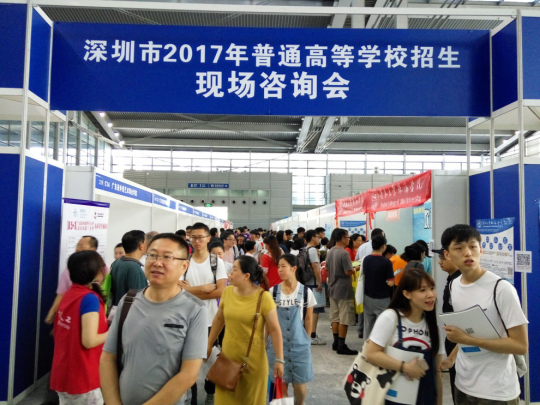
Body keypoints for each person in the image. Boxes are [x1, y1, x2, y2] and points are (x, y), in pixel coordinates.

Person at [101, 233, 207, 405]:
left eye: (167, 257)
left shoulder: (195, 310)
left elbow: (189, 374)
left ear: (184, 266)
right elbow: (108, 357)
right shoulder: (128, 301)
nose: (157, 262)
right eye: (152, 255)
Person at [440, 225, 528, 405]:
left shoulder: (501, 289)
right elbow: (467, 330)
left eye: (472, 246)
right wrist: (452, 358)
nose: (467, 253)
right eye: (459, 248)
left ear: (481, 249)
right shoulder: (453, 286)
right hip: (463, 383)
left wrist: (469, 340)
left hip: (497, 390)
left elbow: (520, 346)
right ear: (447, 254)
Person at [207, 256, 284, 405]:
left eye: (234, 270)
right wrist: (209, 344)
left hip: (252, 362)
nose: (229, 273)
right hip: (227, 359)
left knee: (250, 400)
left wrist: (279, 360)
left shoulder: (264, 298)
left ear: (246, 276)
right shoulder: (227, 292)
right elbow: (219, 319)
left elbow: (275, 330)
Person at [364, 268, 444, 405]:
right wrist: (405, 367)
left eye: (432, 288)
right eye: (422, 290)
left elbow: (437, 372)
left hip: (425, 398)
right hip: (392, 397)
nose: (431, 295)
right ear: (407, 294)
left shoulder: (433, 326)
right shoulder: (391, 317)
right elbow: (371, 353)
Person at [50, 250, 108, 405]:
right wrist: (114, 331)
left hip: (63, 372)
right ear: (95, 271)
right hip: (82, 374)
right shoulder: (89, 299)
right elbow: (89, 341)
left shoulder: (69, 294)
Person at [178, 222, 227, 405]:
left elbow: (221, 291)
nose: (197, 241)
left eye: (200, 237)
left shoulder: (216, 262)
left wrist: (190, 290)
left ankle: (210, 391)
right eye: (193, 237)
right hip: (187, 319)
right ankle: (191, 397)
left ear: (208, 238)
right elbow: (177, 291)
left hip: (210, 320)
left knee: (211, 359)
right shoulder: (184, 261)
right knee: (187, 362)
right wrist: (203, 289)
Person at [267, 254, 315, 405]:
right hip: (277, 347)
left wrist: (306, 339)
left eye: (283, 266)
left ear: (293, 268)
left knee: (300, 387)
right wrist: (264, 342)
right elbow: (268, 323)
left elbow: (308, 319)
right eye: (278, 267)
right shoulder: (273, 292)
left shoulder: (306, 292)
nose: (279, 270)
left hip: (299, 346)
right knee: (281, 387)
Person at [45, 236, 102, 325]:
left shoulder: (104, 269)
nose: (77, 249)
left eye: (81, 245)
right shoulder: (88, 298)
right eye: (77, 245)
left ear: (93, 249)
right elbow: (61, 293)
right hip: (74, 317)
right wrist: (52, 312)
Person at [432, 246, 461, 405]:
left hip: (461, 340)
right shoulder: (452, 279)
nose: (440, 262)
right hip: (452, 337)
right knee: (455, 380)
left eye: (443, 258)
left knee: (459, 381)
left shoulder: (460, 282)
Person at [326, 228, 358, 355]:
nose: (349, 239)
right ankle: (341, 345)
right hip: (343, 289)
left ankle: (335, 343)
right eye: (347, 237)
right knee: (344, 318)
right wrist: (355, 268)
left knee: (335, 317)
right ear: (342, 238)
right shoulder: (344, 253)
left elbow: (327, 268)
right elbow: (347, 272)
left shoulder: (330, 251)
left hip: (332, 287)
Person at [362, 235, 395, 339]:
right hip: (382, 298)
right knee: (383, 325)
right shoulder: (386, 262)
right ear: (383, 246)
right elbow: (391, 282)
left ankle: (367, 346)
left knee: (368, 324)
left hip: (367, 296)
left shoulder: (366, 259)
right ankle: (379, 346)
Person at [109, 230, 148, 308]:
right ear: (141, 246)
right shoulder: (134, 268)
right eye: (146, 242)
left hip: (116, 310)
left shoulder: (116, 263)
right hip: (129, 312)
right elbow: (140, 299)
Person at [303, 230, 325, 346]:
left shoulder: (305, 249)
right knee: (315, 309)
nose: (319, 239)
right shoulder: (312, 250)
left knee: (308, 309)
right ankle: (312, 335)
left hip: (307, 282)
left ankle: (308, 334)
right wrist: (319, 282)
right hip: (313, 283)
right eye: (317, 237)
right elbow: (315, 266)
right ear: (312, 238)